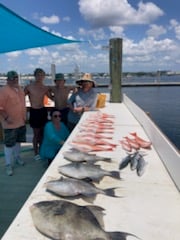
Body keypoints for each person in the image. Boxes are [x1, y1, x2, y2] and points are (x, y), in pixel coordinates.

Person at [0, 71, 26, 176]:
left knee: (18, 141)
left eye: (16, 78)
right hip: (9, 123)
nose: (15, 80)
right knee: (9, 144)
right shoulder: (3, 90)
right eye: (12, 78)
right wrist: (6, 117)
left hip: (20, 121)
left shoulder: (19, 88)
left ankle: (17, 158)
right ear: (8, 80)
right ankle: (8, 164)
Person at [24, 68, 51, 161]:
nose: (40, 77)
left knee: (43, 133)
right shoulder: (29, 87)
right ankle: (36, 153)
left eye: (42, 75)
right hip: (34, 111)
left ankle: (42, 151)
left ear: (44, 77)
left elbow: (52, 97)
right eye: (38, 75)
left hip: (42, 111)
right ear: (35, 76)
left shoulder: (45, 87)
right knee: (36, 134)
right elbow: (19, 97)